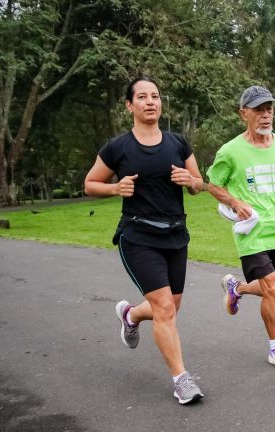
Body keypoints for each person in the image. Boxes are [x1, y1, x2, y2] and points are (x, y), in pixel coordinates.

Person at [84, 76, 205, 404]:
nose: (150, 101)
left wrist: (189, 179)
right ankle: (181, 379)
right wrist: (114, 188)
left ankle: (131, 315)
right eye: (142, 97)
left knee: (170, 307)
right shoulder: (118, 147)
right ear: (130, 105)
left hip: (176, 234)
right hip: (138, 235)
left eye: (155, 96)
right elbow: (90, 184)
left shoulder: (178, 143)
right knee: (165, 307)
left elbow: (198, 184)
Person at [206, 85, 275, 370]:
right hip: (253, 232)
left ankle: (238, 289)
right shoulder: (231, 151)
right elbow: (213, 184)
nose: (266, 115)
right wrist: (235, 203)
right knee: (272, 288)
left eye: (269, 109)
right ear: (243, 114)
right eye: (259, 110)